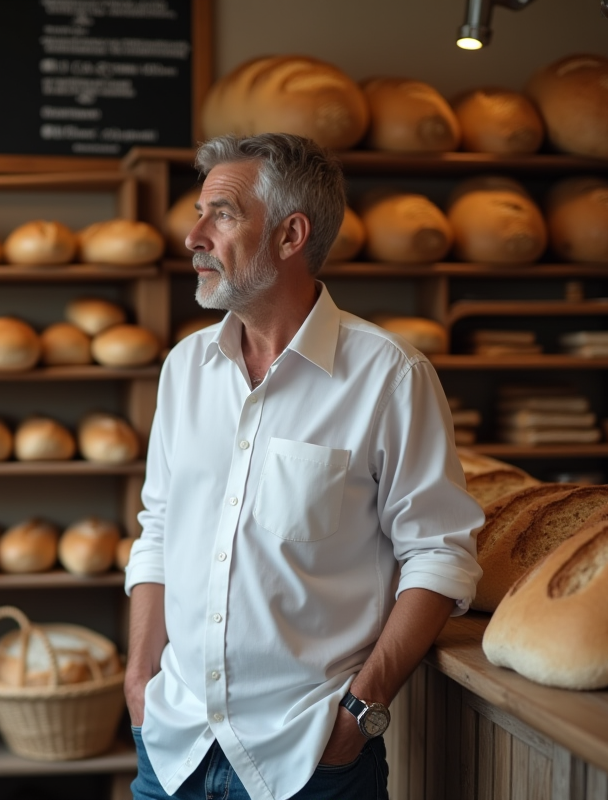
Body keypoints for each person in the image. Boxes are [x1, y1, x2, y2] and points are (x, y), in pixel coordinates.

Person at [122, 132, 485, 800]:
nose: (193, 236)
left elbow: (440, 555)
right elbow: (159, 527)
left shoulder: (389, 376)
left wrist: (359, 712)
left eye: (222, 215)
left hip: (310, 760)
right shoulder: (185, 370)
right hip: (172, 748)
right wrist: (139, 679)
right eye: (199, 212)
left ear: (291, 236)